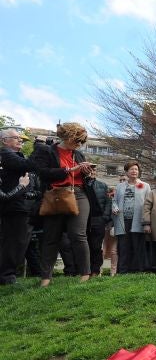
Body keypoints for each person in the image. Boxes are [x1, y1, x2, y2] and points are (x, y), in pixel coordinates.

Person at [30, 122, 96, 286]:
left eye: (81, 142)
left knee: (78, 234)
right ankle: (46, 277)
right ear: (67, 137)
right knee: (51, 237)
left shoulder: (78, 155)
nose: (79, 144)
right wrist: (68, 171)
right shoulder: (46, 150)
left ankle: (85, 274)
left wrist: (88, 173)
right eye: (77, 140)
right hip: (56, 195)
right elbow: (42, 173)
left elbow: (83, 177)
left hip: (79, 194)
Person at [0, 128, 40, 285]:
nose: (20, 140)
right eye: (16, 138)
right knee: (14, 242)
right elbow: (30, 164)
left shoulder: (14, 155)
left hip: (20, 205)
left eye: (21, 139)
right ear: (4, 141)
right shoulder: (6, 154)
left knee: (20, 242)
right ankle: (6, 276)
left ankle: (7, 275)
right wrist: (40, 146)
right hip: (13, 206)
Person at [111, 160, 150, 274]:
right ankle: (123, 270)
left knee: (138, 245)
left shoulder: (145, 186)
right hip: (123, 220)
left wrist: (147, 222)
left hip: (138, 220)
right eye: (131, 169)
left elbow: (148, 205)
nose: (134, 171)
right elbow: (114, 201)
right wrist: (114, 207)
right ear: (126, 172)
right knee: (123, 246)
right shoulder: (120, 186)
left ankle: (137, 270)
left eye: (136, 169)